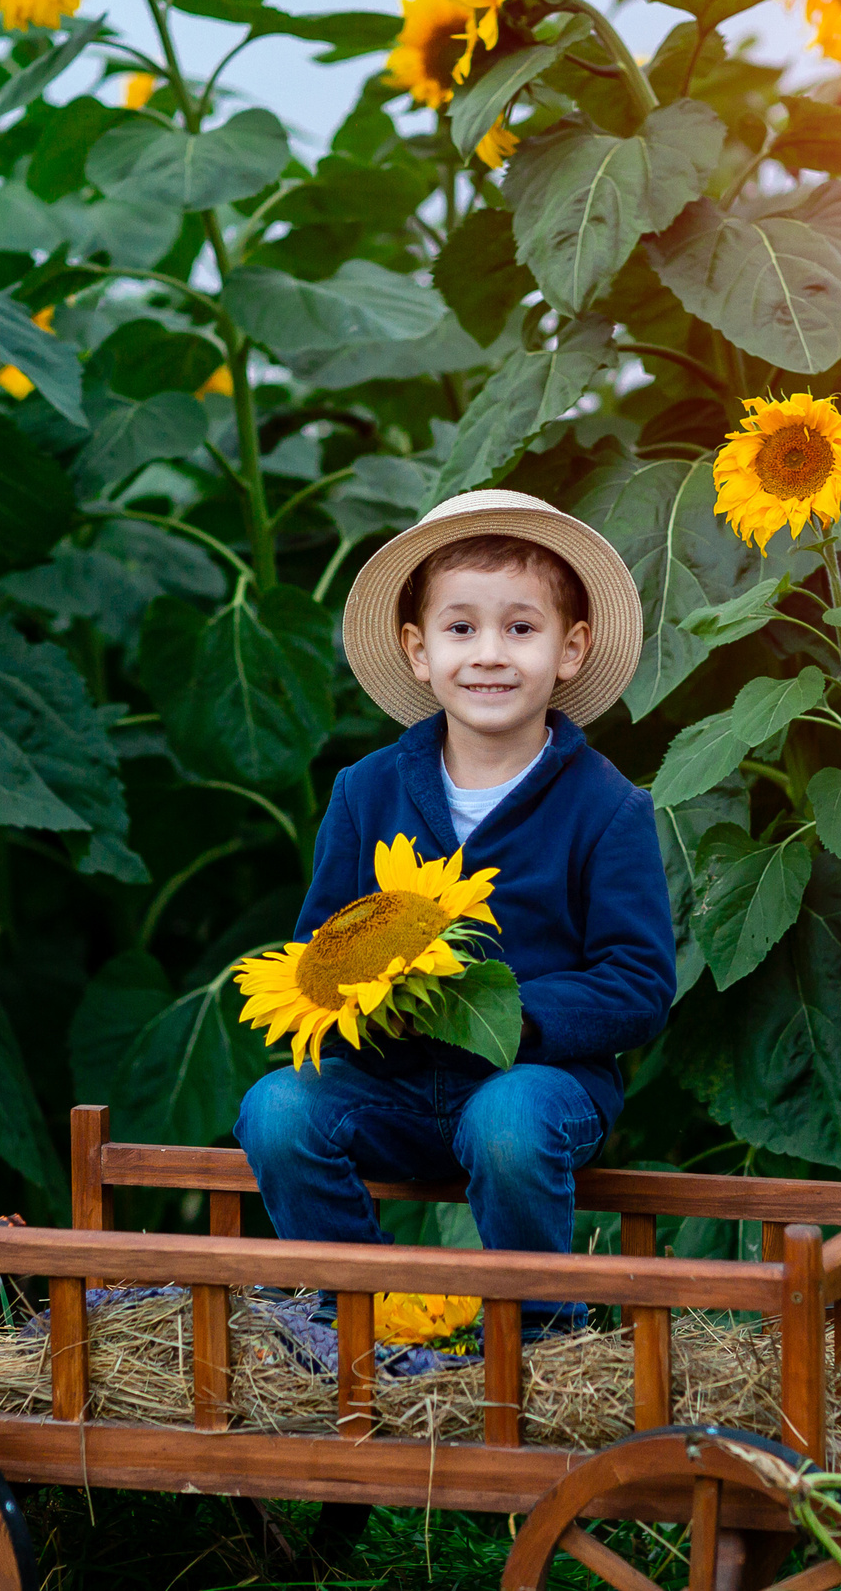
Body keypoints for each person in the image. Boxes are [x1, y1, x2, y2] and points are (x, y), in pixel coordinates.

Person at [234, 489, 675, 1327]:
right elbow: (320, 946)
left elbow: (640, 983)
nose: (489, 655)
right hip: (390, 1085)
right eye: (461, 627)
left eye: (521, 627)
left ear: (571, 649)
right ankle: (361, 1325)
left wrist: (498, 1016)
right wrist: (373, 1003)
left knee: (506, 1123)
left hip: (538, 1087)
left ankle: (542, 1344)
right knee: (278, 1109)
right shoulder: (366, 791)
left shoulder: (606, 806)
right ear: (419, 650)